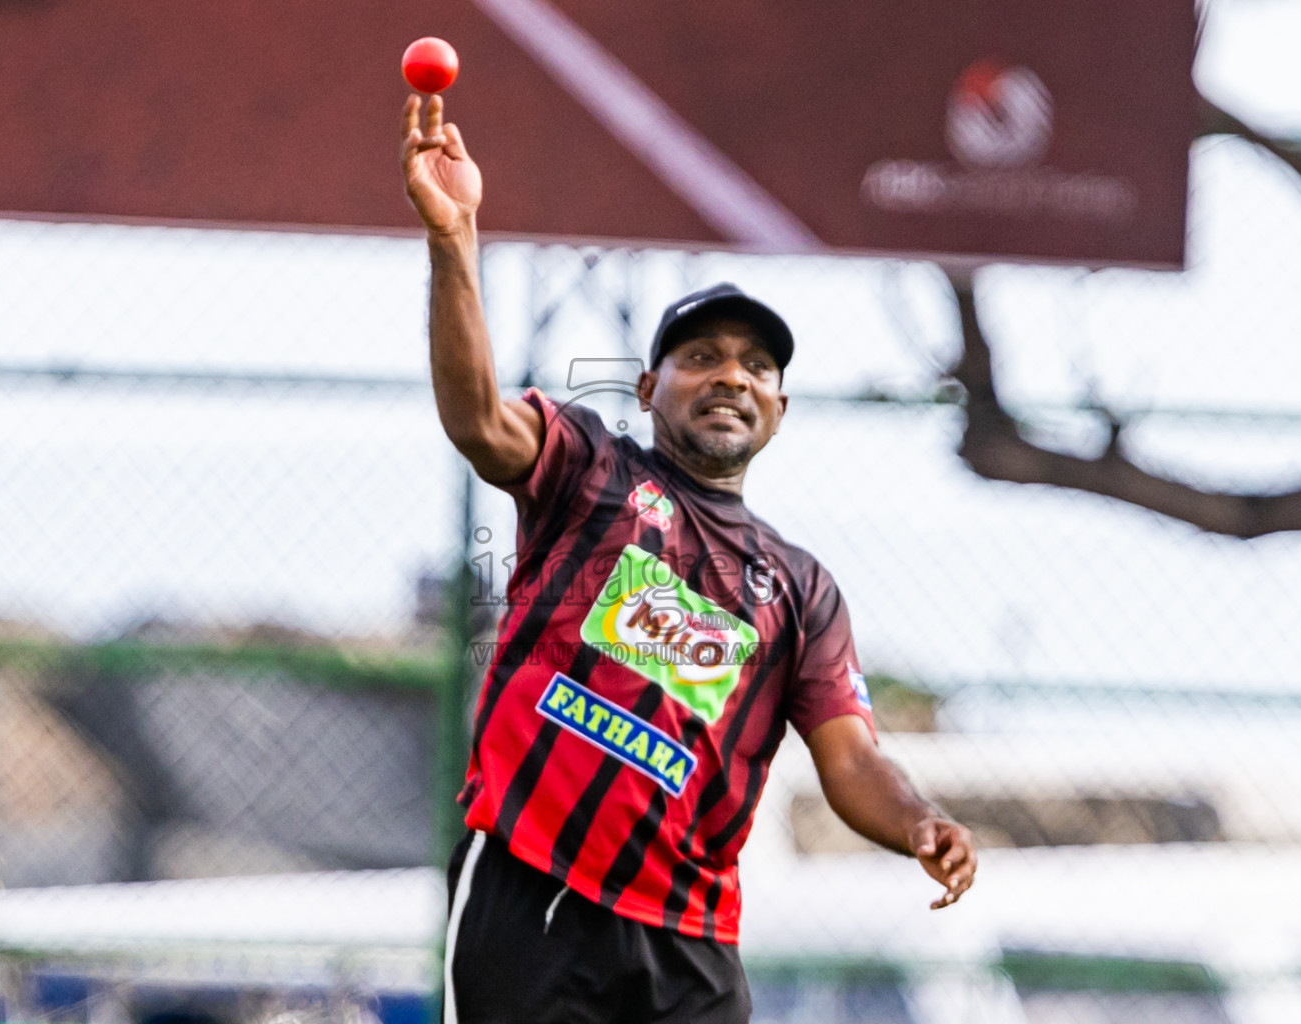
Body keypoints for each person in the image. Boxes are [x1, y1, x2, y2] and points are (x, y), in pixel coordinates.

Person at [400, 92, 977, 1024]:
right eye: (702, 355)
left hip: (690, 943)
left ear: (779, 410)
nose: (731, 376)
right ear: (649, 386)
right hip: (534, 893)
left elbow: (852, 759)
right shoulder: (586, 467)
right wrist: (453, 237)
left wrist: (918, 821)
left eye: (756, 366)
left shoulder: (801, 590)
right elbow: (476, 418)